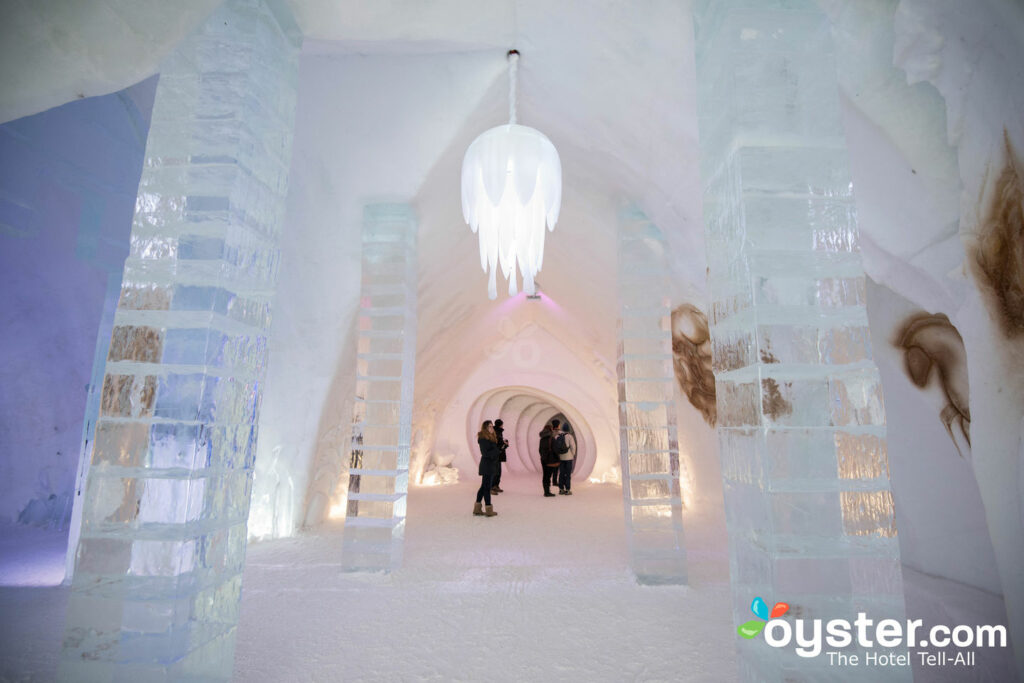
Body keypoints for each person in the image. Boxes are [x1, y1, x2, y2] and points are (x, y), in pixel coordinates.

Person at [474, 420, 500, 517]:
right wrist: (496, 450)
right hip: (487, 466)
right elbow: (485, 453)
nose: (491, 428)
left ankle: (477, 508)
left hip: (490, 465)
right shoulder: (483, 439)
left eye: (492, 426)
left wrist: (500, 448)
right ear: (485, 428)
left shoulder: (490, 438)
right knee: (486, 488)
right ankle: (488, 509)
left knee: (483, 487)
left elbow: (493, 451)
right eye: (489, 426)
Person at [539, 419, 561, 497]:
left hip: (543, 459)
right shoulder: (551, 438)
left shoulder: (541, 439)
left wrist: (543, 457)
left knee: (545, 476)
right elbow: (555, 450)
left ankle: (546, 491)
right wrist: (558, 458)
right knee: (548, 476)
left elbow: (540, 450)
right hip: (550, 460)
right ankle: (547, 492)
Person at [556, 421, 577, 495]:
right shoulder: (569, 436)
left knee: (561, 474)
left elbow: (555, 447)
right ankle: (567, 490)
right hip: (568, 458)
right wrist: (573, 455)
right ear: (568, 429)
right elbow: (573, 447)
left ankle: (561, 489)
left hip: (561, 458)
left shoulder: (557, 436)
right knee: (568, 474)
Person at [492, 418, 508, 494]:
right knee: (496, 471)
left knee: (498, 471)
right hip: (497, 454)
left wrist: (504, 444)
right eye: (502, 424)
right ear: (500, 425)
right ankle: (493, 486)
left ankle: (496, 485)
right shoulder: (496, 432)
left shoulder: (498, 432)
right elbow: (497, 443)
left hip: (499, 453)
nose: (502, 426)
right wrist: (503, 445)